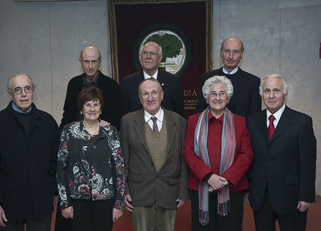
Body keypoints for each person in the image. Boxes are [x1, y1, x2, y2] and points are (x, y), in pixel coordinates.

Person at [0, 73, 60, 231]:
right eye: (18, 90)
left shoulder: (48, 122)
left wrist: (51, 190)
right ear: (10, 93)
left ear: (33, 91)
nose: (23, 94)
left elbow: (56, 160)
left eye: (27, 89)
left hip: (40, 202)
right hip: (8, 204)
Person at [246, 74, 316, 231]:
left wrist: (306, 196)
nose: (271, 96)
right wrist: (248, 188)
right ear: (261, 94)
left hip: (291, 196)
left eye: (276, 90)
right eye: (267, 91)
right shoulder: (251, 121)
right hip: (260, 195)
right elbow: (249, 157)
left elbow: (308, 162)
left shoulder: (302, 121)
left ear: (285, 93)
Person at [184, 75, 254, 231]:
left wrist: (226, 179)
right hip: (202, 186)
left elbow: (246, 154)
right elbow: (188, 152)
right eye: (213, 93)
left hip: (231, 189)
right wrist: (208, 176)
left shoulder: (240, 121)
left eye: (222, 93)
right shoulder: (193, 121)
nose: (217, 97)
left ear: (228, 97)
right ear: (207, 97)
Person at [120, 78, 188, 231]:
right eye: (145, 94)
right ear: (139, 97)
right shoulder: (128, 121)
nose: (150, 98)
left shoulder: (179, 121)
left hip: (169, 192)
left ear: (162, 95)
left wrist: (183, 190)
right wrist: (124, 190)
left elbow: (183, 160)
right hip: (139, 193)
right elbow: (123, 159)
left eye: (154, 93)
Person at [57, 86, 125, 231]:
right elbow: (61, 168)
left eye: (96, 104)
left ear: (101, 108)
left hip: (105, 199)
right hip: (77, 201)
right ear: (81, 109)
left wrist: (118, 203)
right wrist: (65, 202)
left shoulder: (110, 132)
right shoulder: (69, 131)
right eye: (88, 105)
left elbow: (119, 168)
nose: (92, 109)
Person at [195, 37, 261, 117]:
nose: (231, 56)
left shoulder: (253, 82)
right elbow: (200, 111)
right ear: (221, 53)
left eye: (236, 52)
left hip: (241, 128)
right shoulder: (207, 78)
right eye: (227, 51)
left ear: (241, 55)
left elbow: (255, 116)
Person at [60, 46, 122, 130]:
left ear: (99, 62)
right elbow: (67, 114)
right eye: (86, 61)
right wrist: (62, 134)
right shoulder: (73, 84)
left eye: (93, 61)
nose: (90, 66)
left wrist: (107, 124)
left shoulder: (112, 85)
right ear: (80, 61)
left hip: (101, 136)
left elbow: (117, 117)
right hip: (76, 136)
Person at [120, 41, 184, 115]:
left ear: (160, 58)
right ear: (140, 57)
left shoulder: (173, 81)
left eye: (152, 53)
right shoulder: (128, 82)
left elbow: (178, 113)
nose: (148, 57)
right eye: (145, 53)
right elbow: (124, 114)